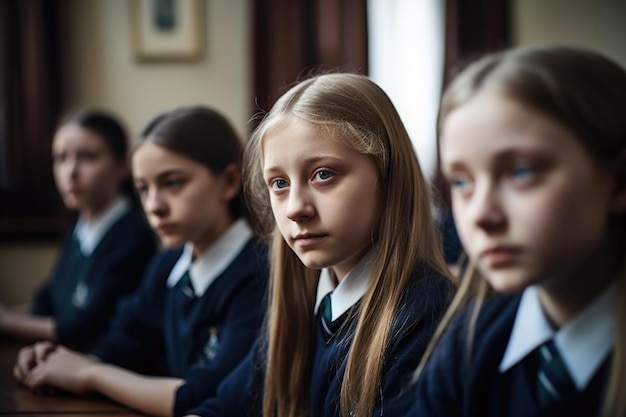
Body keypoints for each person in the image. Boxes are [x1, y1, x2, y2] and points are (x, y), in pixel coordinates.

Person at [185, 73, 456, 417]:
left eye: (323, 174)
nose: (296, 208)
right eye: (279, 183)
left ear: (389, 177)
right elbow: (224, 408)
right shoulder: (304, 304)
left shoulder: (427, 317)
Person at [408, 45, 626, 417]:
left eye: (521, 172)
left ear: (619, 183)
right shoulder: (470, 341)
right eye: (461, 182)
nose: (480, 215)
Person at [13, 106, 269, 417]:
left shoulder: (258, 275)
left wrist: (90, 374)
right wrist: (57, 362)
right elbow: (120, 345)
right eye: (143, 189)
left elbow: (208, 397)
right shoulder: (167, 266)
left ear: (229, 182)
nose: (153, 206)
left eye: (172, 183)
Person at [0, 109, 157, 352]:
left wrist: (7, 321)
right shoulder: (80, 228)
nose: (70, 172)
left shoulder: (133, 236)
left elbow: (83, 330)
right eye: (61, 158)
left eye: (88, 157)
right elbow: (47, 300)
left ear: (123, 166)